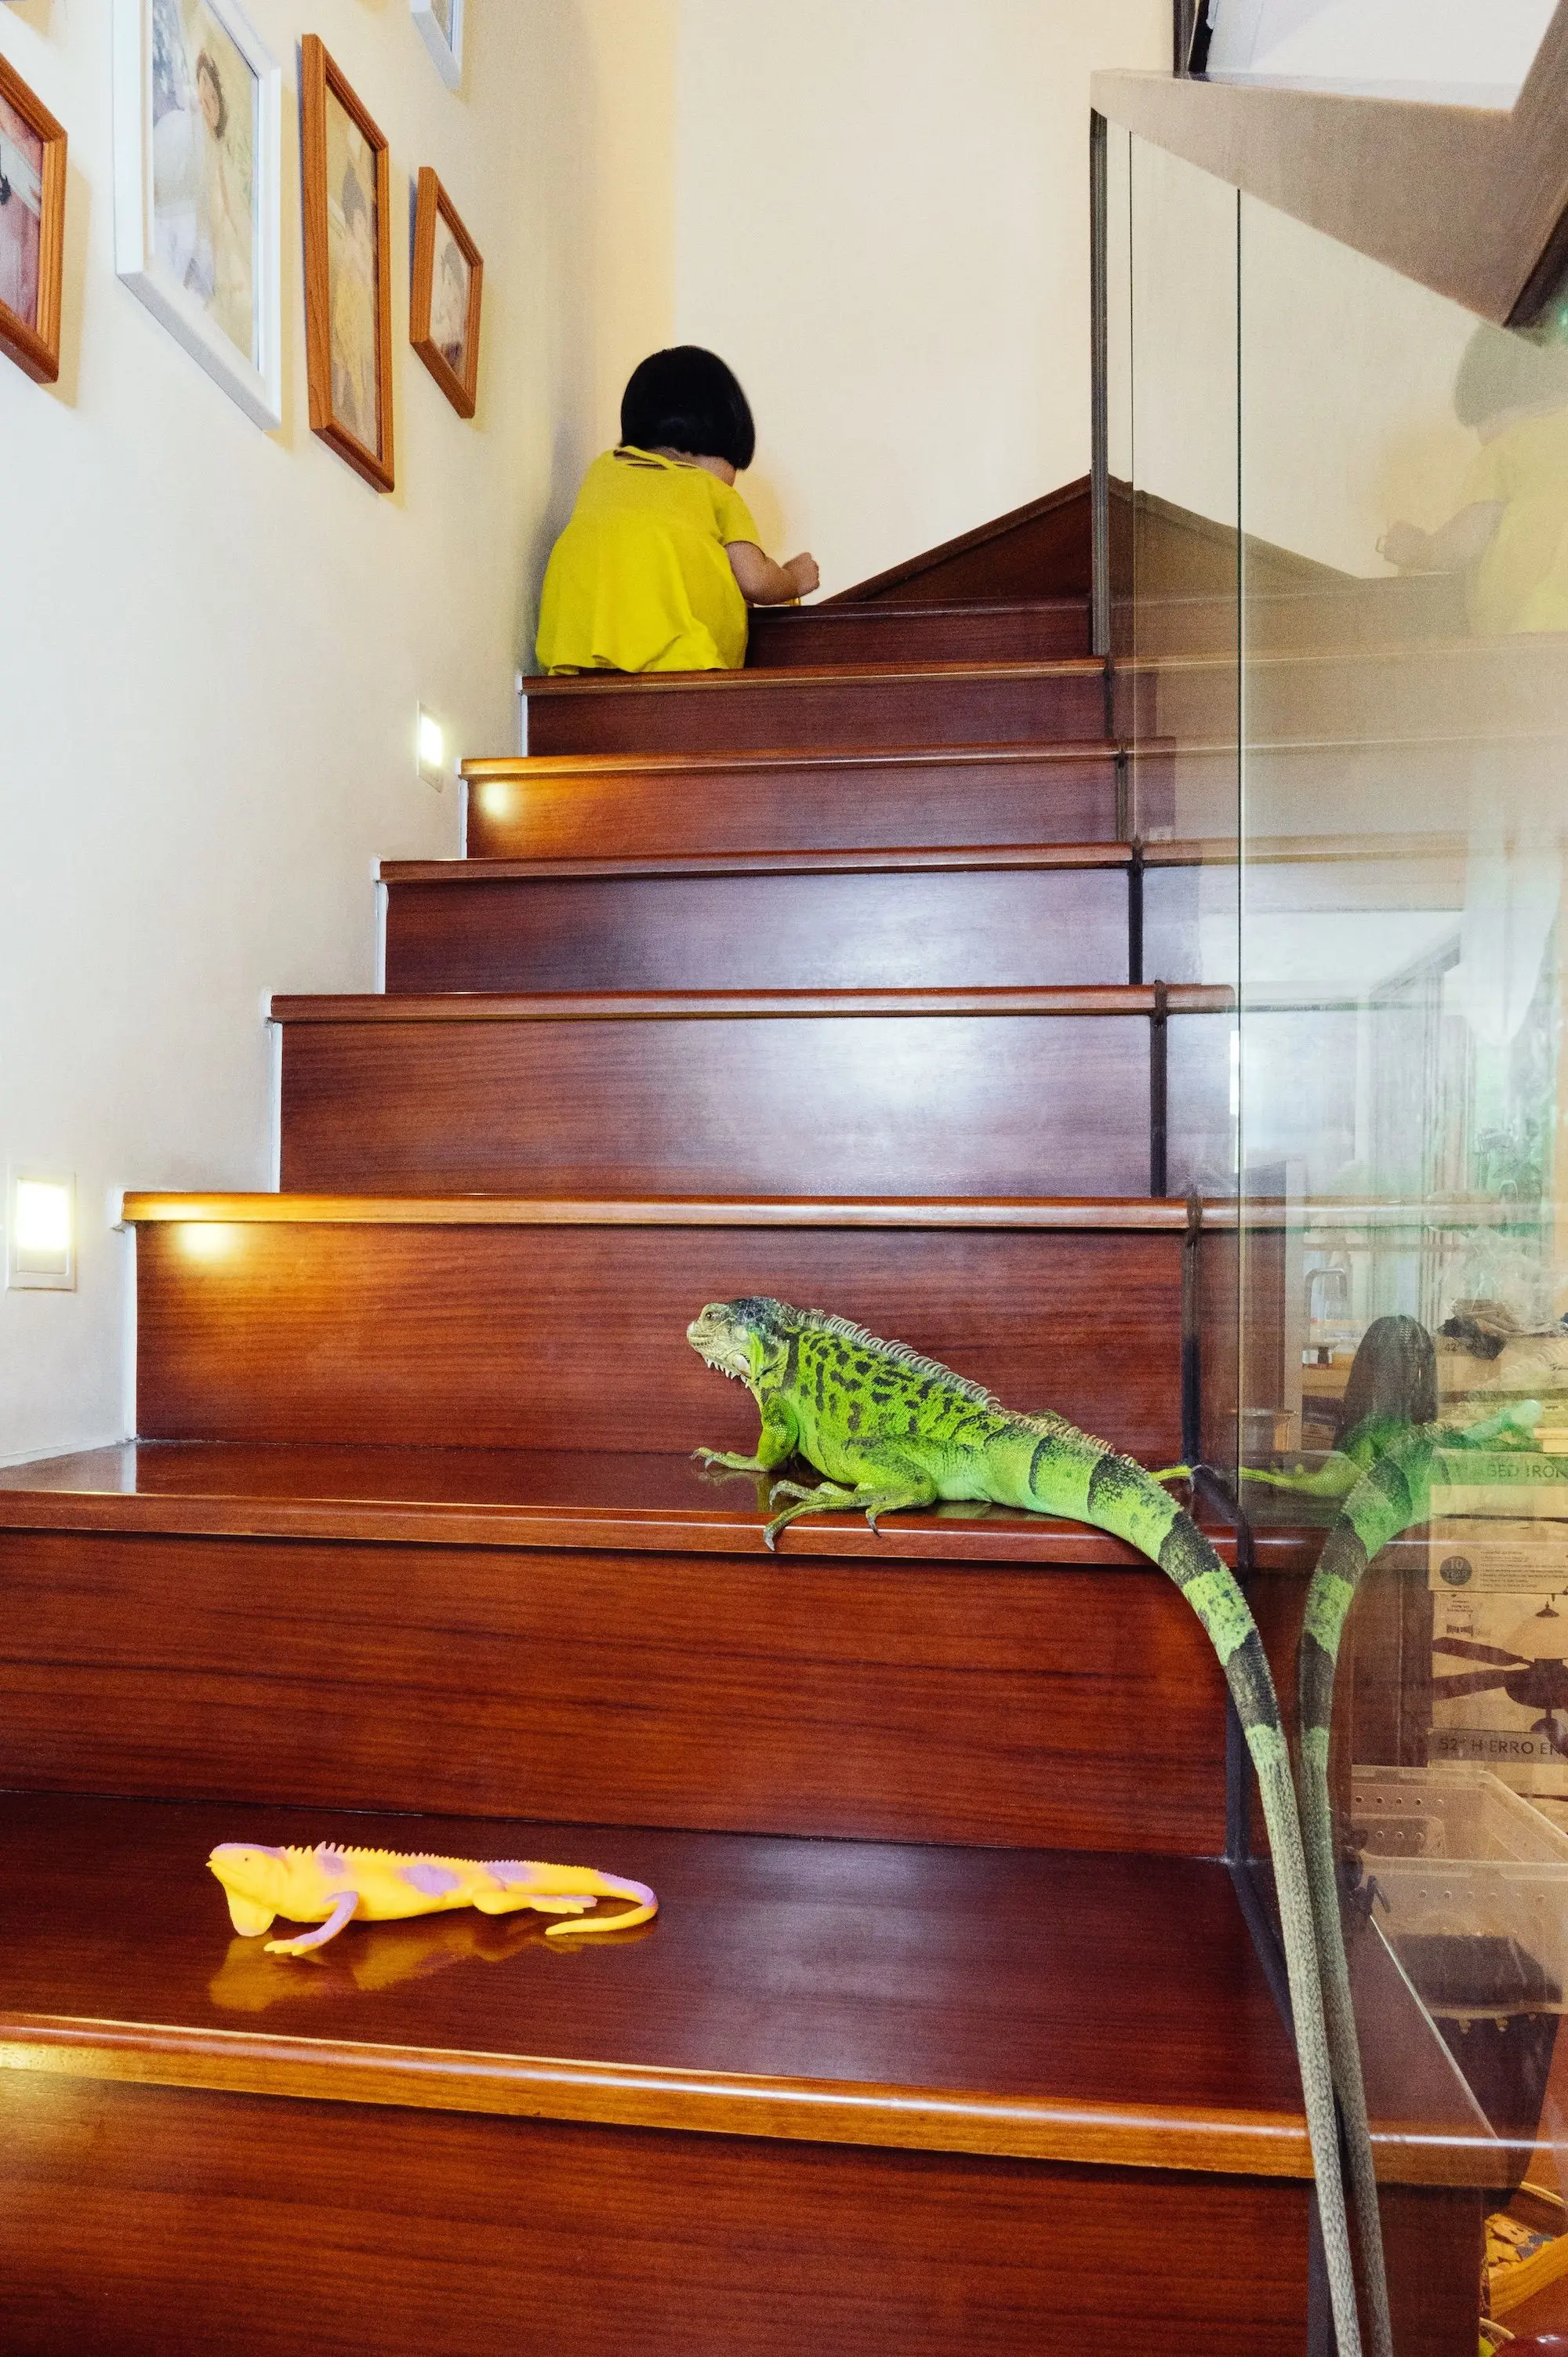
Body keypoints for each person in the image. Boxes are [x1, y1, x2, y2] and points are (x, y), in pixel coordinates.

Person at [536, 346, 819, 673]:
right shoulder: (713, 492)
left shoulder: (601, 473)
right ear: (717, 440)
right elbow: (755, 580)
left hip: (577, 645)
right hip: (680, 659)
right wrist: (793, 579)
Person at [1380, 325, 1568, 634]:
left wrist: (1419, 549)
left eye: (1480, 423)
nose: (1481, 438)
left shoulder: (1506, 449)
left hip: (1532, 629)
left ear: (1494, 403)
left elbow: (1468, 537)